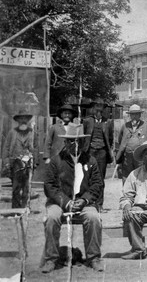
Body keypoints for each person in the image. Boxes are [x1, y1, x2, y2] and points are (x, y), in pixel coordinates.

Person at [41, 123, 104, 273]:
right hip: (60, 202)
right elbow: (49, 186)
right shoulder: (56, 161)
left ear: (82, 142)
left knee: (93, 218)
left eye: (77, 141)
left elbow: (97, 184)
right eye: (70, 141)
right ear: (65, 142)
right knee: (51, 217)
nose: (74, 144)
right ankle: (51, 259)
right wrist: (66, 202)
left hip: (83, 203)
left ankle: (93, 258)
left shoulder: (91, 161)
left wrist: (84, 200)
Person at [83, 99, 114, 212]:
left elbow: (110, 139)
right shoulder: (87, 121)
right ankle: (89, 203)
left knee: (100, 179)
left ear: (103, 108)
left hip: (102, 152)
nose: (99, 108)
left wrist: (107, 150)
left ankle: (99, 205)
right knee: (88, 177)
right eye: (97, 106)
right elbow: (83, 138)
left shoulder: (108, 122)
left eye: (101, 106)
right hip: (90, 151)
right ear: (93, 107)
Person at [2, 111, 36, 208]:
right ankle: (16, 207)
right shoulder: (12, 132)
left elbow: (36, 147)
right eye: (21, 118)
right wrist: (7, 162)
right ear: (17, 120)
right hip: (15, 163)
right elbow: (6, 147)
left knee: (27, 187)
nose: (23, 120)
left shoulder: (32, 132)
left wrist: (35, 162)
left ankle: (25, 207)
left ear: (28, 120)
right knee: (16, 187)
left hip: (28, 163)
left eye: (25, 118)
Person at [116, 104, 147, 182]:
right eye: (132, 114)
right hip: (127, 157)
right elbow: (120, 141)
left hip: (141, 157)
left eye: (136, 114)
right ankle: (128, 193)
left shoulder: (146, 126)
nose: (134, 116)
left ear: (140, 115)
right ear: (130, 115)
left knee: (142, 176)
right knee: (127, 177)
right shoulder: (125, 126)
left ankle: (141, 193)